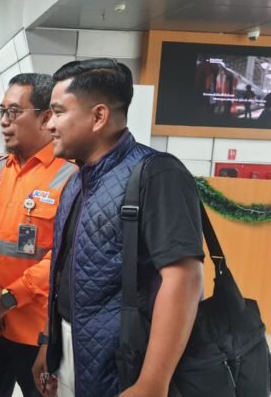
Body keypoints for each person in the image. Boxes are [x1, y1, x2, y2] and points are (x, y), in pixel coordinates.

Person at [32, 58, 204, 397]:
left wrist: (153, 382)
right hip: (70, 350)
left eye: (58, 112)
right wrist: (48, 344)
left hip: (126, 367)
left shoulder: (157, 174)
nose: (49, 124)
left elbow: (184, 279)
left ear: (98, 116)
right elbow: (64, 274)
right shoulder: (76, 182)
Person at [0, 73, 76, 397]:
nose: (4, 121)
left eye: (14, 111)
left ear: (46, 117)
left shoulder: (70, 176)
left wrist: (8, 298)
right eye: (2, 112)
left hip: (37, 334)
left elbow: (65, 255)